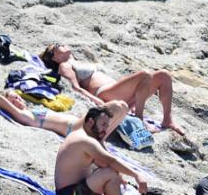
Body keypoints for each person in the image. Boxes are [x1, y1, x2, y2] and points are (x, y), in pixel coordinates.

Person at [40, 44, 185, 136]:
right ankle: (139, 120)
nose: (61, 45)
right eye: (56, 46)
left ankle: (167, 120)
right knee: (145, 74)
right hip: (105, 93)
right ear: (55, 57)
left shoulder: (77, 61)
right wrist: (97, 101)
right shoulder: (64, 66)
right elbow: (75, 88)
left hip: (119, 92)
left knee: (164, 75)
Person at [54, 106, 156, 195]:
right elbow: (111, 161)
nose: (105, 129)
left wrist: (120, 176)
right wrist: (137, 175)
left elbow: (104, 163)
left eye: (107, 126)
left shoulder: (83, 136)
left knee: (111, 172)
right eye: (102, 125)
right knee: (110, 174)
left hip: (73, 192)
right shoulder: (85, 140)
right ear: (90, 122)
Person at [0, 88, 128, 139]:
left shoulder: (29, 111)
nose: (18, 100)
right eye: (13, 100)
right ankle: (100, 141)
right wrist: (7, 99)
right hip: (74, 128)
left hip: (77, 124)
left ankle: (101, 140)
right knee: (115, 106)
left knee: (124, 107)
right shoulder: (24, 115)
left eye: (17, 97)